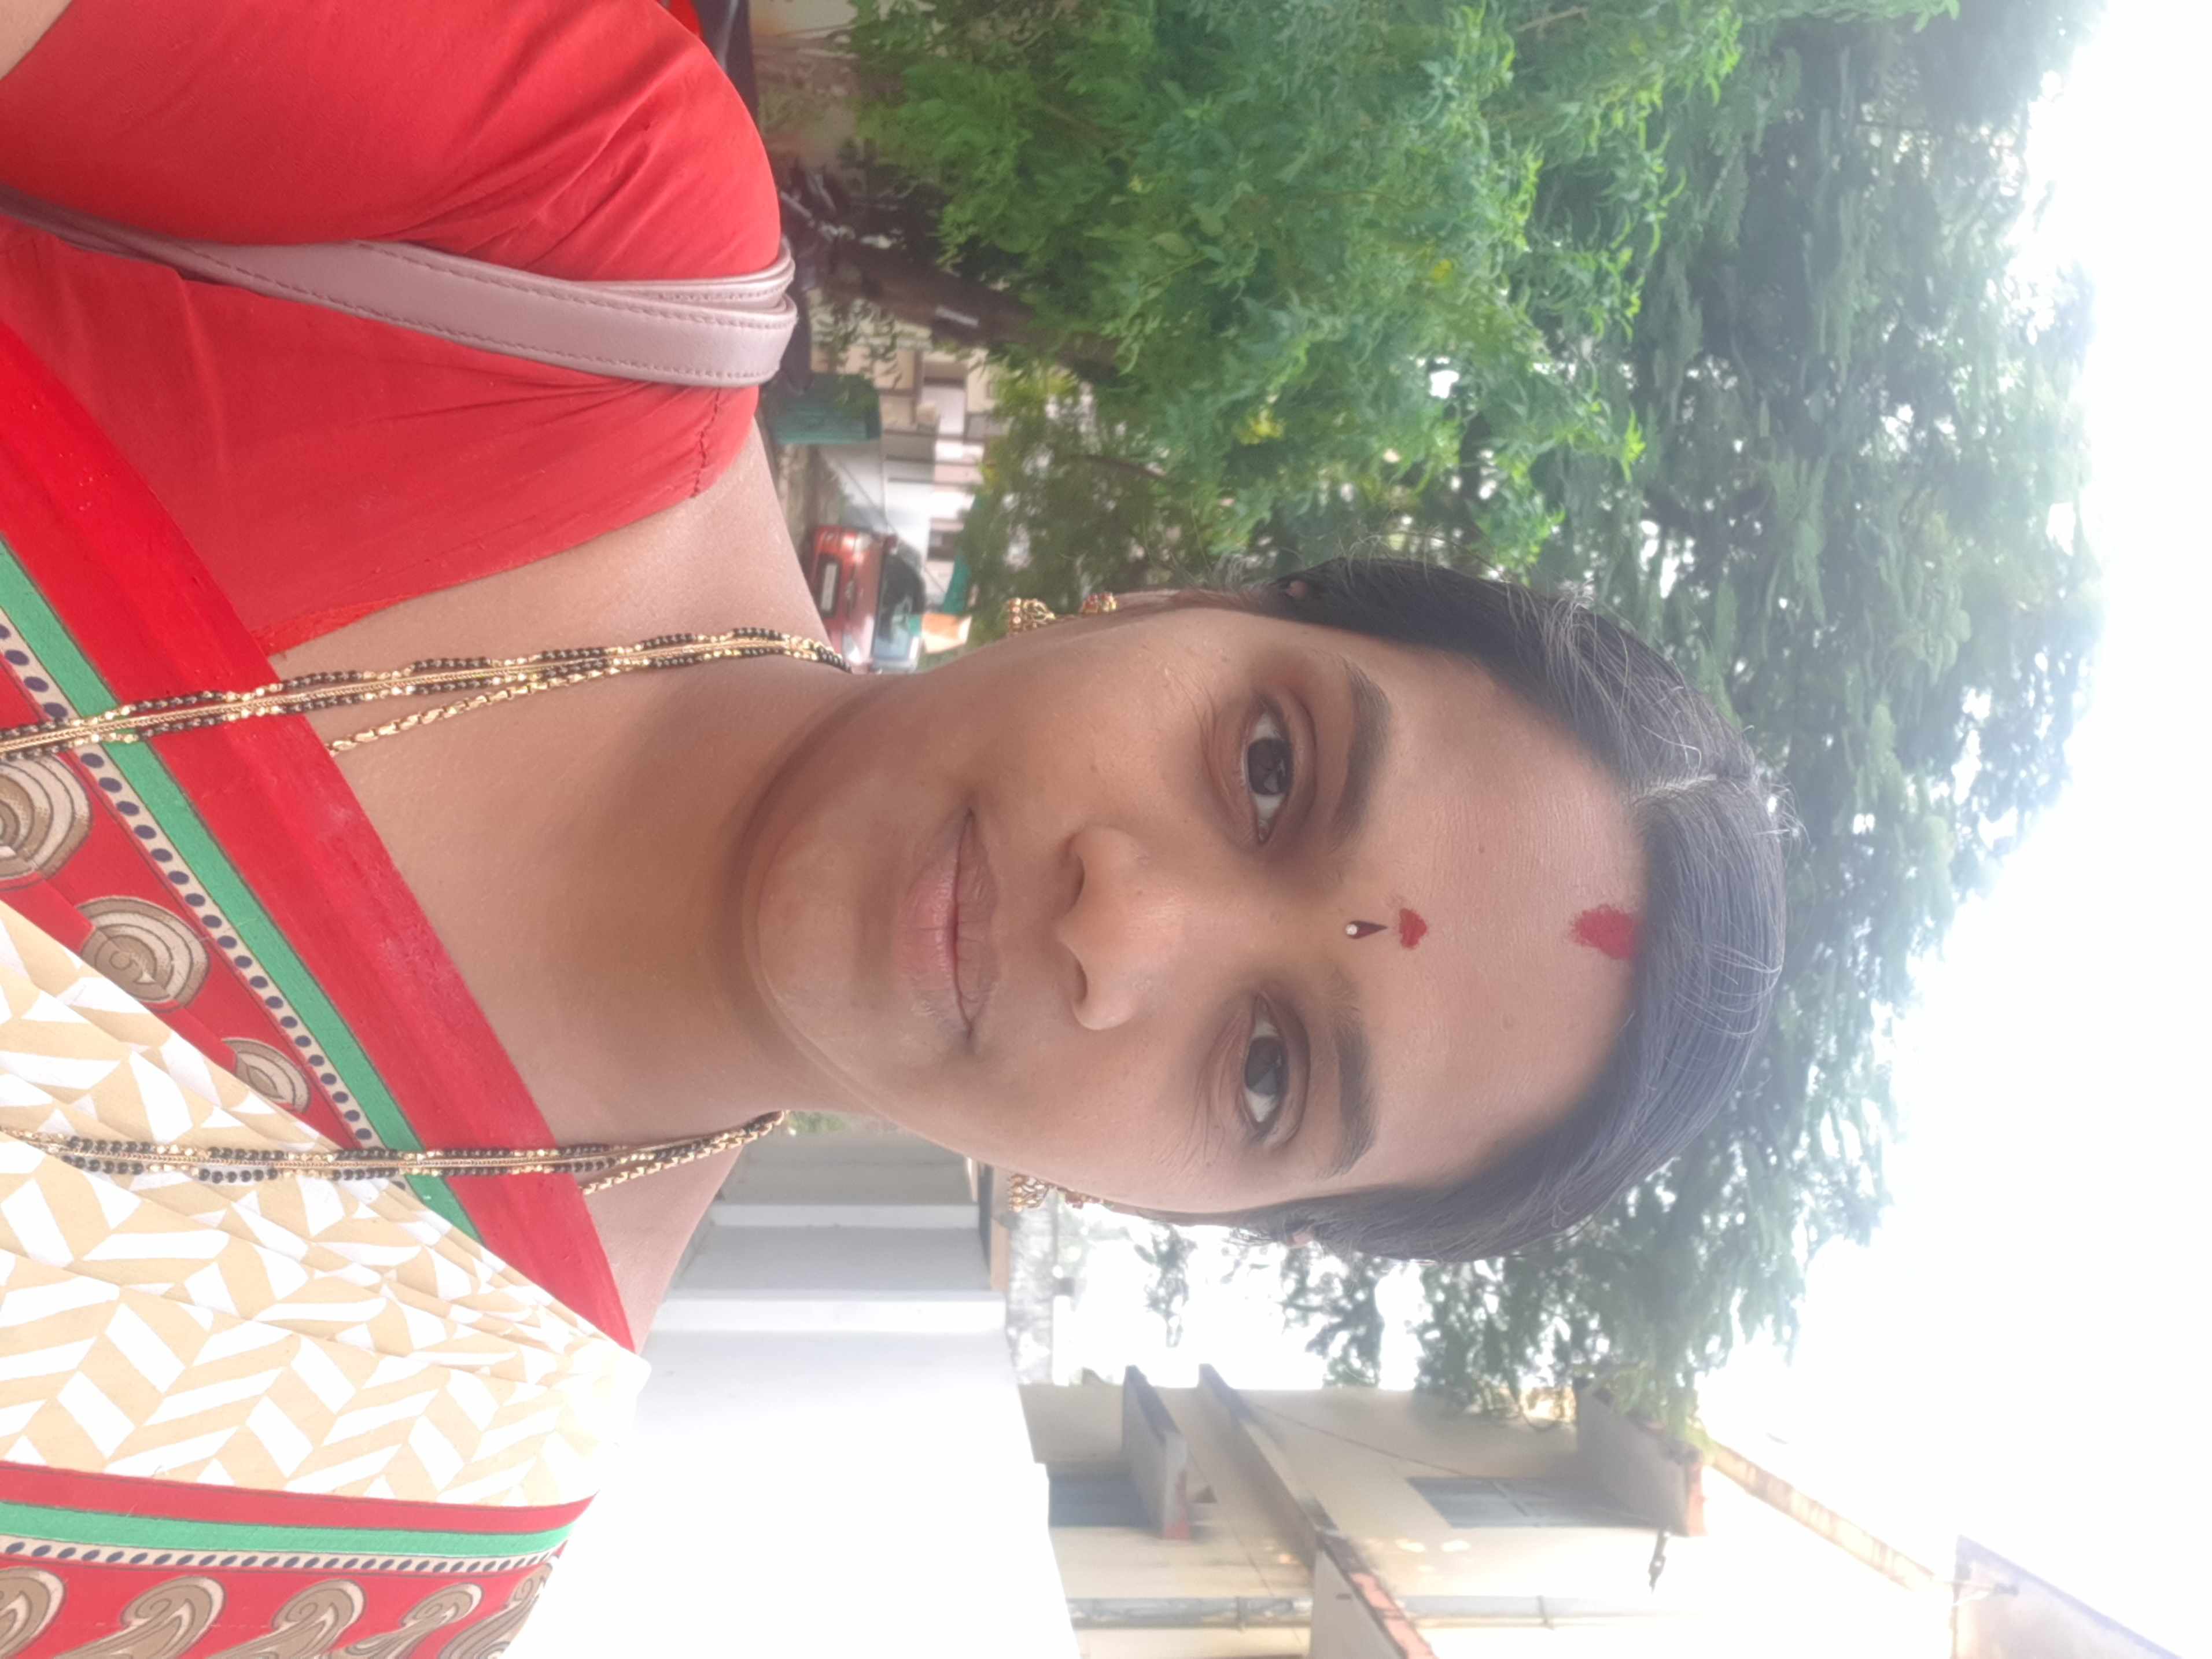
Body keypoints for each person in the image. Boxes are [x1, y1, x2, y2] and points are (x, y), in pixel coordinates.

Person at [0, 0, 1785, 1651]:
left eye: (1266, 1071)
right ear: (1178, 598)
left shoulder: (398, 1504)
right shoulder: (568, 237)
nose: (1120, 930)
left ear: (1200, 1209)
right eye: (1266, 768)